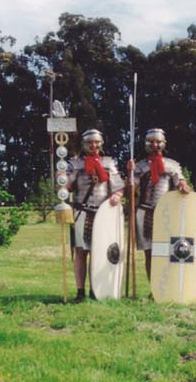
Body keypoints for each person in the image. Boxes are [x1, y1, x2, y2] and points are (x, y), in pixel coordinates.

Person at [65, 129, 124, 301]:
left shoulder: (109, 163)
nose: (93, 145)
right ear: (84, 145)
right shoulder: (75, 164)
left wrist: (118, 195)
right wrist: (62, 176)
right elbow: (67, 187)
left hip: (103, 214)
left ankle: (96, 290)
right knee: (81, 253)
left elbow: (119, 187)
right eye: (90, 142)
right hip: (82, 212)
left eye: (96, 142)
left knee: (99, 253)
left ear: (101, 143)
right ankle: (80, 291)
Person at [127, 128, 191, 279]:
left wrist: (183, 186)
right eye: (151, 142)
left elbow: (181, 182)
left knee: (167, 252)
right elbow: (130, 191)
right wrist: (129, 173)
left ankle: (166, 286)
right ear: (147, 144)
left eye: (157, 141)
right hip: (144, 213)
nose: (154, 145)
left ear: (163, 143)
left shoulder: (172, 165)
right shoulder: (140, 166)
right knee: (149, 253)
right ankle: (153, 289)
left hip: (165, 213)